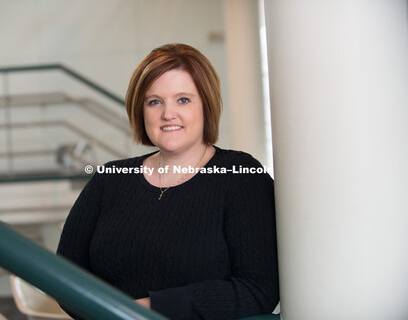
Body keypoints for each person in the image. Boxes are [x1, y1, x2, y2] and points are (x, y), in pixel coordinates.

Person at [56, 43, 279, 320]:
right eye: (155, 101)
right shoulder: (109, 179)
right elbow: (64, 278)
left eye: (183, 99)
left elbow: (258, 289)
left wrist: (141, 311)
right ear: (141, 110)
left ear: (206, 105)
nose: (167, 113)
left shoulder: (241, 176)